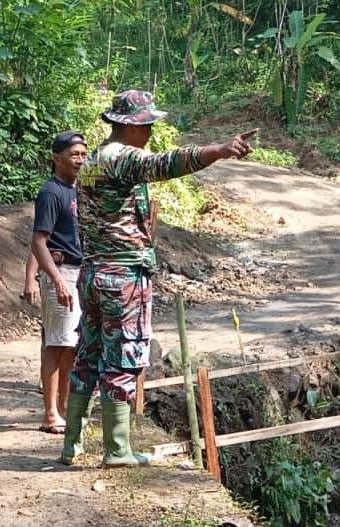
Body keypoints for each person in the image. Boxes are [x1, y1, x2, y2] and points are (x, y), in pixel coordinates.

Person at [61, 90, 256, 467]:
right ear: (130, 125)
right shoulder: (124, 158)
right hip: (123, 277)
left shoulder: (94, 160)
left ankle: (72, 444)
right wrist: (218, 149)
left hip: (93, 274)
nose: (150, 131)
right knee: (122, 356)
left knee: (89, 354)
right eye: (147, 124)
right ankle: (117, 449)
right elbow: (168, 163)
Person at [24, 130, 87, 434]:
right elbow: (39, 241)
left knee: (70, 346)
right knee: (55, 344)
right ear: (57, 157)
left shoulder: (79, 190)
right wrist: (56, 280)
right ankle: (50, 413)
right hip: (62, 275)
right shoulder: (51, 192)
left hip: (79, 273)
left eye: (83, 155)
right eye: (74, 154)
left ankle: (63, 409)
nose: (80, 160)